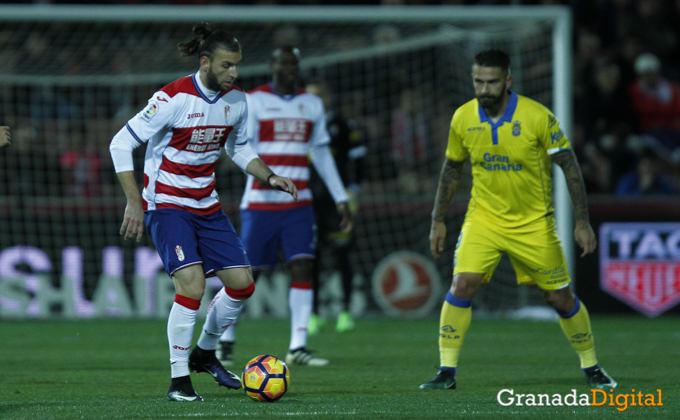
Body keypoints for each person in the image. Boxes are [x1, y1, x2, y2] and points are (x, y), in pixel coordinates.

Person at [109, 23, 298, 402]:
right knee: (192, 287)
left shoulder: (238, 102)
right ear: (206, 62)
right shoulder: (172, 98)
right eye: (227, 65)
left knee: (243, 284)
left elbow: (239, 149)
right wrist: (134, 201)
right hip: (167, 206)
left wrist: (271, 175)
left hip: (207, 206)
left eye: (237, 66)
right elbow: (120, 143)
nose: (234, 73)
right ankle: (179, 381)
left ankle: (205, 352)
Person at [420, 49, 617, 390]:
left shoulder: (537, 116)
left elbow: (569, 166)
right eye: (478, 81)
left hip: (533, 223)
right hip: (484, 220)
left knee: (559, 299)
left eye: (492, 82)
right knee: (462, 283)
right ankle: (446, 371)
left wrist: (582, 222)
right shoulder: (462, 118)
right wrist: (437, 220)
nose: (484, 89)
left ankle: (592, 367)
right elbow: (452, 168)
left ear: (508, 81)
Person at [217, 47, 353, 367]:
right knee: (249, 277)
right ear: (272, 65)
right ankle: (224, 338)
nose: (289, 69)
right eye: (283, 63)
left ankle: (298, 345)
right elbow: (238, 146)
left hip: (299, 204)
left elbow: (320, 154)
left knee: (303, 265)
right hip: (261, 203)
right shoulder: (254, 100)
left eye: (294, 64)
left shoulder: (312, 104)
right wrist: (265, 175)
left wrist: (341, 197)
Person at [305, 81, 366, 335]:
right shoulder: (298, 127)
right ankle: (313, 314)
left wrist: (353, 190)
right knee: (311, 259)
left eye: (317, 96)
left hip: (337, 202)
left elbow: (359, 161)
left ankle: (345, 311)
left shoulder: (342, 126)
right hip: (308, 202)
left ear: (327, 98)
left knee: (342, 255)